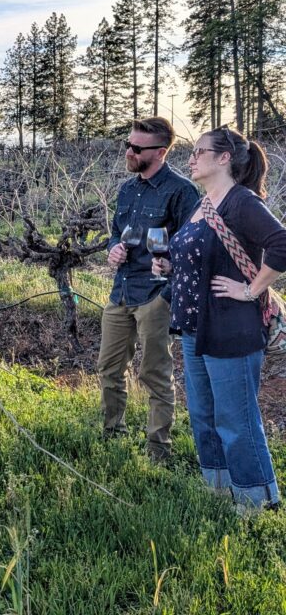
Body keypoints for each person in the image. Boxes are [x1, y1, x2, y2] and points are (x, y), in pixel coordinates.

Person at [153, 127, 284, 509]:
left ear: (224, 158)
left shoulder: (240, 202)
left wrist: (250, 289)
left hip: (231, 329)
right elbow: (201, 256)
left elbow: (281, 243)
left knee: (235, 419)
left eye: (199, 152)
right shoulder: (204, 203)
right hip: (195, 329)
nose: (191, 158)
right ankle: (219, 491)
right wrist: (170, 266)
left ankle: (257, 501)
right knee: (203, 415)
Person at [99, 117, 199, 460]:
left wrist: (169, 269)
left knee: (154, 374)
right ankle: (112, 434)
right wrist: (113, 247)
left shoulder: (182, 191)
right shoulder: (128, 189)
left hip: (155, 295)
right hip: (121, 291)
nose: (129, 152)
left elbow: (193, 245)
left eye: (137, 148)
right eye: (128, 144)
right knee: (109, 368)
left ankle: (159, 449)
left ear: (160, 152)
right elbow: (117, 231)